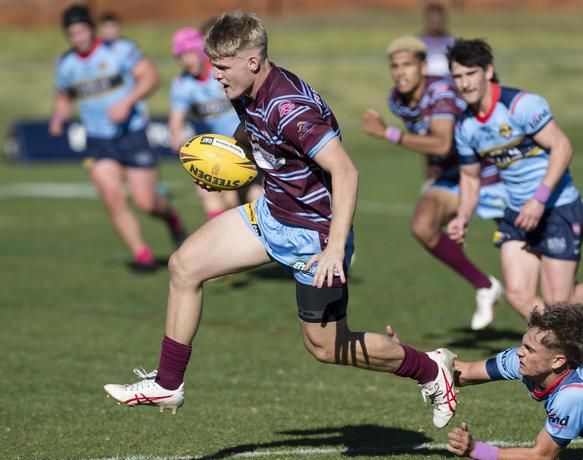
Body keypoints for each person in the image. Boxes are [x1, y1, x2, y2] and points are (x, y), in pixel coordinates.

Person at [104, 11, 457, 428]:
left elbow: (346, 171)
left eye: (221, 66)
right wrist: (228, 162)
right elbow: (251, 131)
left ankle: (431, 368)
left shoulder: (290, 108)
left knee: (326, 347)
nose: (214, 75)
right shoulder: (244, 89)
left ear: (252, 62)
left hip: (314, 236)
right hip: (271, 214)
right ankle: (168, 382)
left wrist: (334, 249)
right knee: (184, 265)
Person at [446, 38, 583, 354]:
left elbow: (563, 147)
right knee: (517, 294)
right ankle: (578, 328)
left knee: (560, 300)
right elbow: (470, 179)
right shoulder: (466, 126)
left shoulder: (520, 106)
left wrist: (539, 198)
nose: (464, 83)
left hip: (558, 207)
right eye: (457, 77)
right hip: (518, 213)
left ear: (488, 71)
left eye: (470, 74)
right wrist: (462, 217)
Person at [362, 36, 506, 331]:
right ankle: (485, 285)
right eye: (395, 66)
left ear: (424, 66)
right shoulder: (397, 99)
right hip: (453, 177)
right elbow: (427, 144)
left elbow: (440, 144)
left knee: (534, 255)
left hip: (490, 174)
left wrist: (388, 133)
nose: (400, 72)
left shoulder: (440, 91)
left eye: (408, 65)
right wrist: (429, 177)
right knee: (423, 225)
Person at [49, 5, 186, 273]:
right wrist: (58, 117)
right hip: (98, 141)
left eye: (81, 30)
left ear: (91, 28)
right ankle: (142, 256)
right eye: (72, 33)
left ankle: (172, 219)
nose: (77, 38)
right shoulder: (66, 64)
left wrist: (127, 101)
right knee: (112, 196)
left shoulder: (119, 50)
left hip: (131, 135)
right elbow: (64, 98)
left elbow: (151, 77)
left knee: (146, 202)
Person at [446, 303, 583, 460]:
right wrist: (416, 364)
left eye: (529, 349)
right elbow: (466, 373)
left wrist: (474, 449)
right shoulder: (531, 361)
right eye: (522, 344)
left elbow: (541, 457)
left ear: (558, 361)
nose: (519, 352)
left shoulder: (573, 395)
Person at [168, 27, 262, 221]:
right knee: (207, 192)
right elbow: (176, 116)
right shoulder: (182, 85)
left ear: (199, 51)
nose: (186, 60)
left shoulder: (221, 72)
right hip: (221, 149)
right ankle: (221, 243)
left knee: (251, 197)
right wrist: (176, 135)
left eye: (189, 54)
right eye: (180, 57)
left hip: (248, 143)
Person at [419, 2, 455, 78]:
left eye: (438, 20)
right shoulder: (420, 41)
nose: (436, 23)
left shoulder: (451, 41)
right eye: (433, 20)